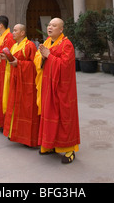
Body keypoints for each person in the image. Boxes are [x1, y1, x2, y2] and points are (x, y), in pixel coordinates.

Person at [34, 18, 80, 164]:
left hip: (62, 88)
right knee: (49, 114)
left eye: (54, 25)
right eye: (49, 25)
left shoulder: (67, 45)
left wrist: (49, 56)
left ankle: (69, 149)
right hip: (48, 86)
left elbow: (65, 67)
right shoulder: (47, 42)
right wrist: (41, 56)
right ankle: (50, 144)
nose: (50, 27)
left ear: (61, 30)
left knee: (64, 116)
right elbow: (37, 59)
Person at [2, 24, 39, 147]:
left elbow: (34, 65)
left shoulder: (30, 45)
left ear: (22, 33)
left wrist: (19, 63)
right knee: (14, 106)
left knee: (27, 109)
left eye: (15, 30)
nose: (13, 32)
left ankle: (29, 138)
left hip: (27, 83)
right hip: (16, 80)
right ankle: (15, 133)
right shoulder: (14, 46)